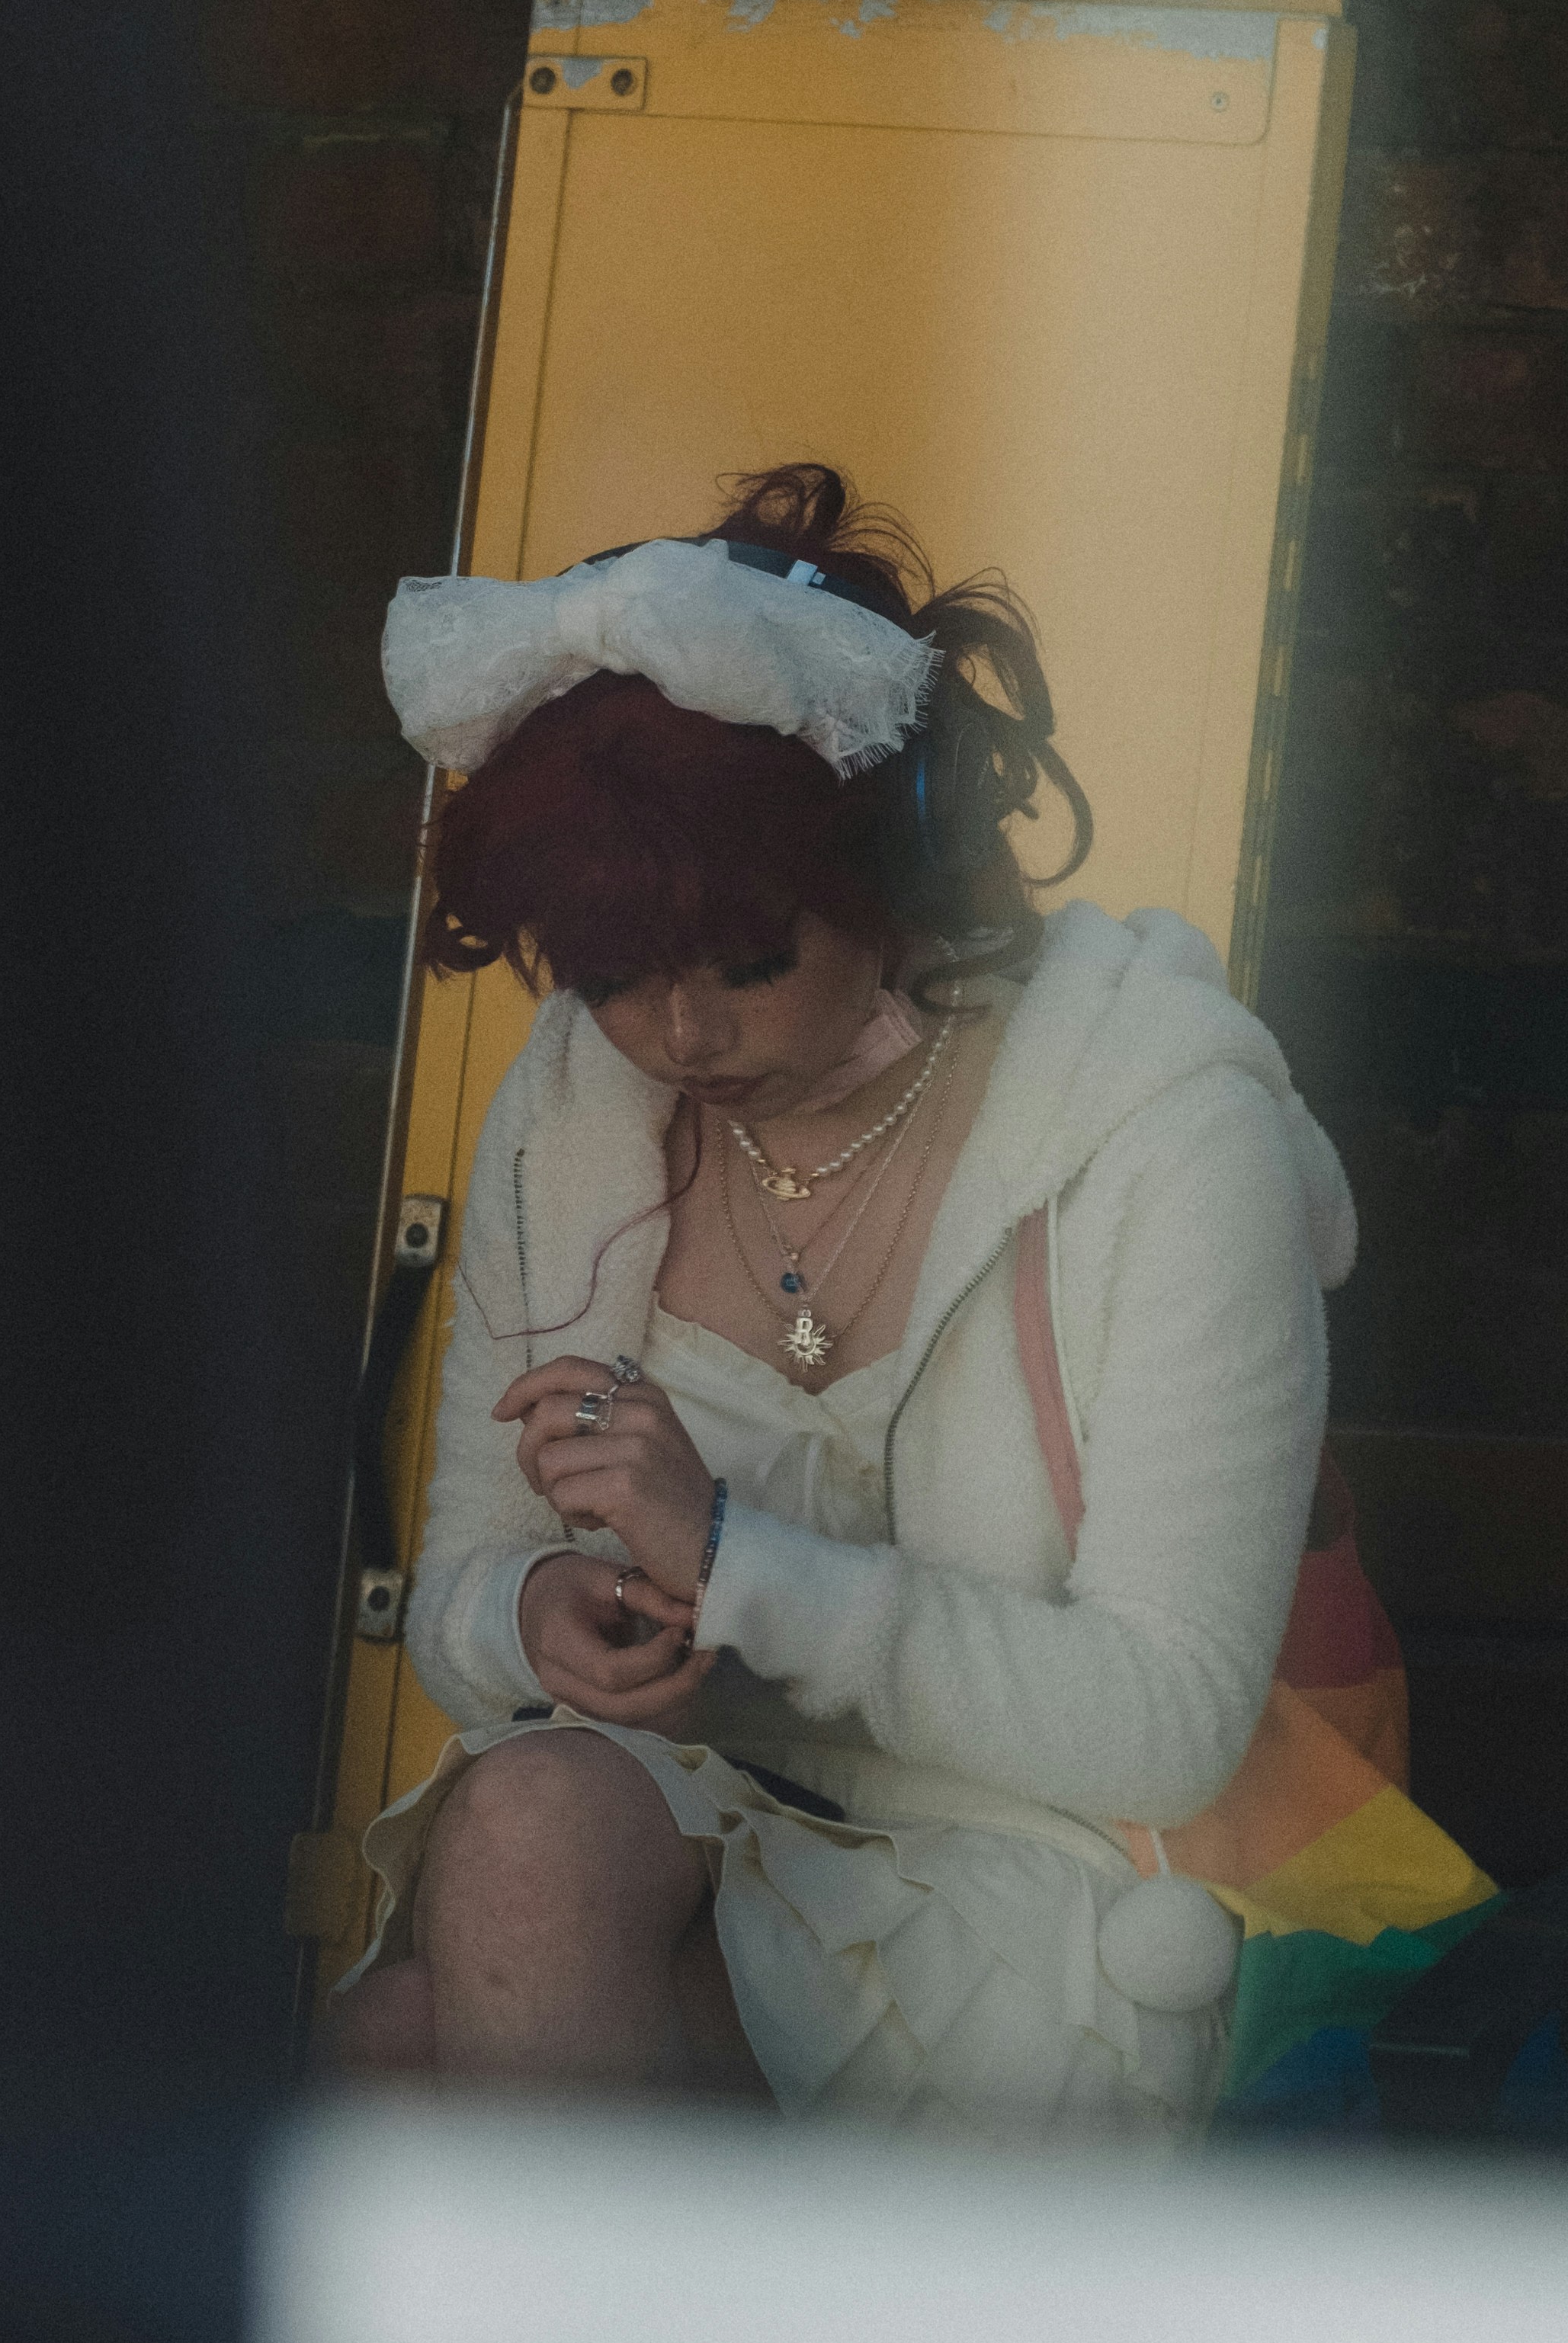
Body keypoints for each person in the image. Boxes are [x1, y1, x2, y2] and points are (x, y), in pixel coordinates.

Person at [334, 464, 1358, 2145]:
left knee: (410, 2034)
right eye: (605, 975)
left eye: (744, 961)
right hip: (697, 1839)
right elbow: (466, 1574)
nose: (678, 1037)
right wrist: (526, 1623)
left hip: (1059, 1883)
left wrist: (738, 1566)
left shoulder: (1161, 1132)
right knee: (506, 1852)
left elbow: (1164, 1728)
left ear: (891, 882)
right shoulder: (579, 1107)